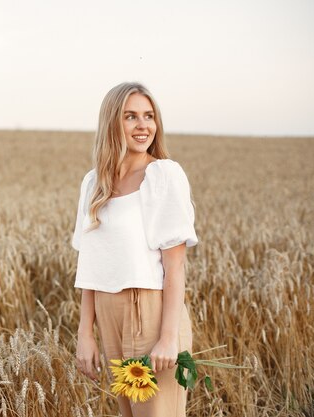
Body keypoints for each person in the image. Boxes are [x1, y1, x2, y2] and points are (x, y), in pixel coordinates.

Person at [72, 82, 198, 417]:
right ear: (112, 122)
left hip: (151, 312)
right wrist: (85, 333)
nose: (143, 125)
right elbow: (90, 264)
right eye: (131, 117)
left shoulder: (162, 175)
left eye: (149, 116)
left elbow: (176, 266)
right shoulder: (93, 182)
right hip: (107, 311)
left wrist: (168, 338)